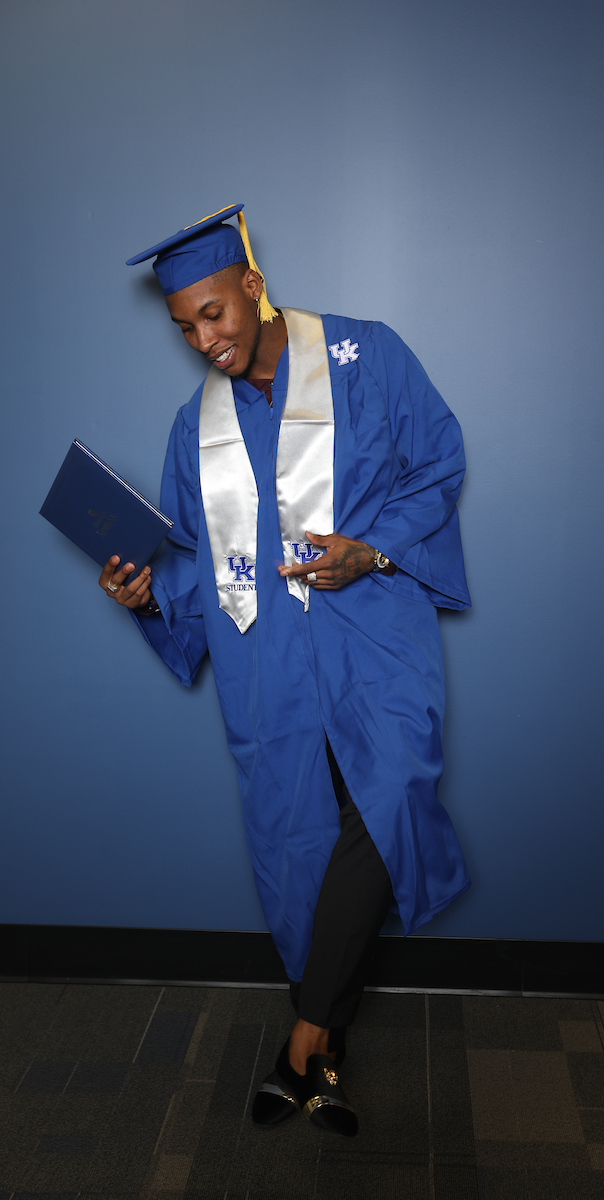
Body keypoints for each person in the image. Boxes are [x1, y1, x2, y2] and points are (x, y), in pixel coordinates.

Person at [100, 204, 470, 1137]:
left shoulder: (364, 356)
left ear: (253, 286)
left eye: (214, 312)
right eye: (186, 327)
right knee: (297, 848)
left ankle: (301, 1038)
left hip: (372, 639)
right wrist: (144, 596)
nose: (205, 340)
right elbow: (194, 566)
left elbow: (438, 463)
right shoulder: (196, 428)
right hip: (265, 665)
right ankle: (326, 1060)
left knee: (390, 796)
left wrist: (371, 551)